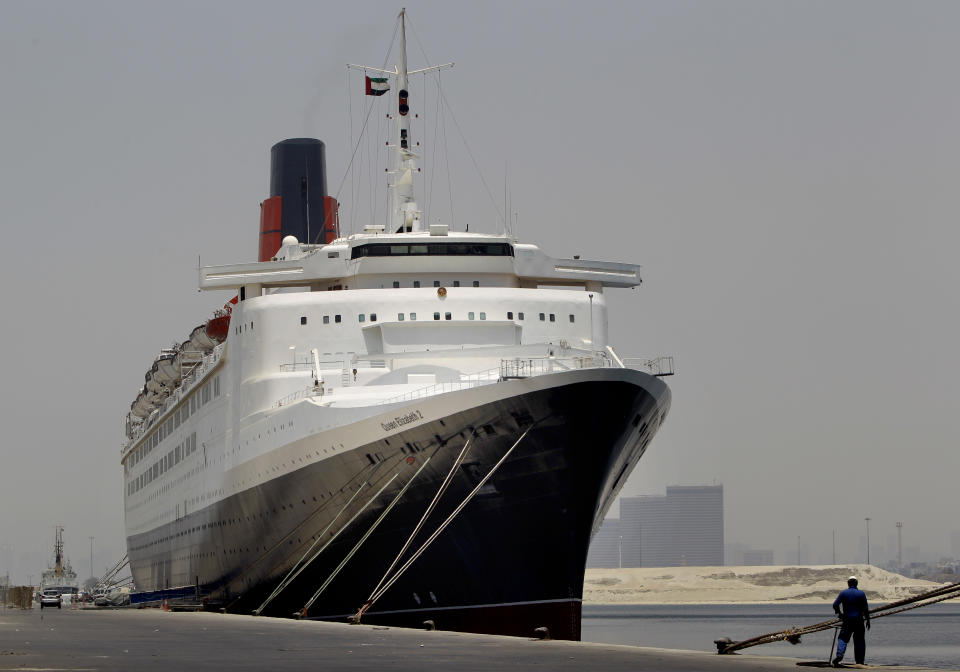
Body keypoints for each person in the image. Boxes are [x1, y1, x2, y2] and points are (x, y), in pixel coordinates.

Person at [832, 575, 870, 666]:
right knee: (859, 640)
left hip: (847, 620)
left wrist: (840, 613)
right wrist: (868, 620)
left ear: (848, 584)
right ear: (857, 584)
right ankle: (860, 661)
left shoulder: (844, 593)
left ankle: (839, 655)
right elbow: (865, 609)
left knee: (843, 638)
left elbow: (835, 605)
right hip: (859, 620)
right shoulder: (861, 593)